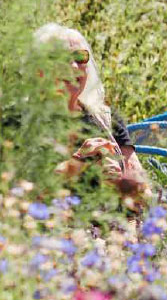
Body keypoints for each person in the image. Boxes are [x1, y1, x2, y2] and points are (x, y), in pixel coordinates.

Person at [33, 23, 149, 200]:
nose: (73, 66)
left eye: (80, 57)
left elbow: (142, 189)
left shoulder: (106, 119)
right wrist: (79, 162)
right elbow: (20, 191)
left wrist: (123, 182)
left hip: (108, 224)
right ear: (40, 69)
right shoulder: (22, 122)